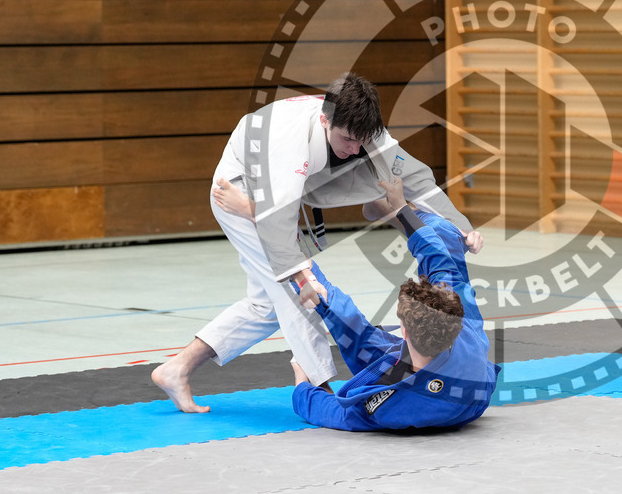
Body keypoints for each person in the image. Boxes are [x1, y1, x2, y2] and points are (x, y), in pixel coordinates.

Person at [151, 73, 482, 413]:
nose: (354, 148)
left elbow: (414, 176)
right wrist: (300, 271)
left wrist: (461, 226)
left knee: (266, 306)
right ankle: (318, 387)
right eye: (347, 139)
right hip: (239, 190)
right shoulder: (290, 142)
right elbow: (279, 221)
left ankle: (177, 369)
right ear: (325, 121)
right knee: (299, 292)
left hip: (292, 191)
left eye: (361, 140)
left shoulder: (364, 129)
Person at [289, 177, 499, 431]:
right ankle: (387, 212)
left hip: (434, 399)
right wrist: (400, 207)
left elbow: (339, 413)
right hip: (475, 394)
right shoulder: (466, 330)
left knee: (360, 339)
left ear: (404, 331)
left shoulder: (392, 404)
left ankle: (294, 257)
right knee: (444, 241)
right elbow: (440, 262)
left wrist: (302, 385)